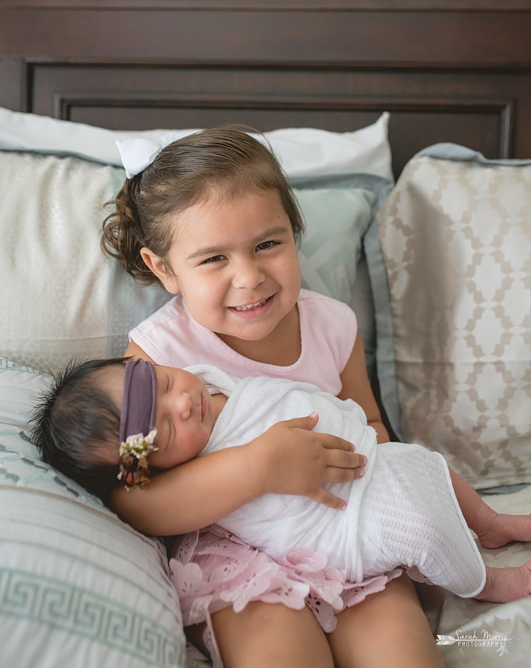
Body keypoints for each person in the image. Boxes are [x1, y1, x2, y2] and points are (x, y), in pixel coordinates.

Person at [103, 125, 448, 668]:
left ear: (294, 232)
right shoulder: (157, 357)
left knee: (402, 653)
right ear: (164, 269)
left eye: (268, 243)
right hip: (239, 549)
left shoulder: (333, 325)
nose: (249, 276)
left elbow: (373, 426)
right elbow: (134, 496)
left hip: (347, 525)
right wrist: (256, 470)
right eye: (213, 259)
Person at [32, 355, 531, 611]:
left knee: (431, 466)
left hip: (374, 463)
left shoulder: (203, 382)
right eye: (164, 429)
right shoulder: (189, 478)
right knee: (421, 528)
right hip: (345, 524)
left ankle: (491, 524)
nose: (183, 403)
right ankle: (482, 583)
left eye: (164, 383)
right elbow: (144, 504)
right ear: (151, 467)